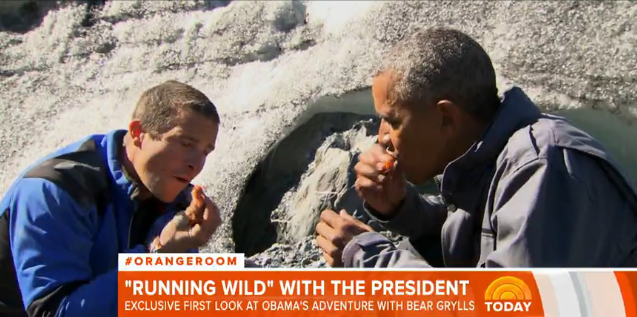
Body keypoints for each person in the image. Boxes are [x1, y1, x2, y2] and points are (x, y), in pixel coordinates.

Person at [315, 28, 637, 268]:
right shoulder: (489, 162)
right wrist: (402, 210)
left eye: (392, 121)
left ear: (446, 117)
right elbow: (473, 248)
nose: (381, 137)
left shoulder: (543, 166)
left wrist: (368, 257)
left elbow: (507, 303)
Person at [0, 80, 222, 317]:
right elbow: (53, 312)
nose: (196, 164)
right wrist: (159, 257)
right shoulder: (56, 190)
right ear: (138, 134)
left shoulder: (176, 196)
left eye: (205, 152)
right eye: (185, 143)